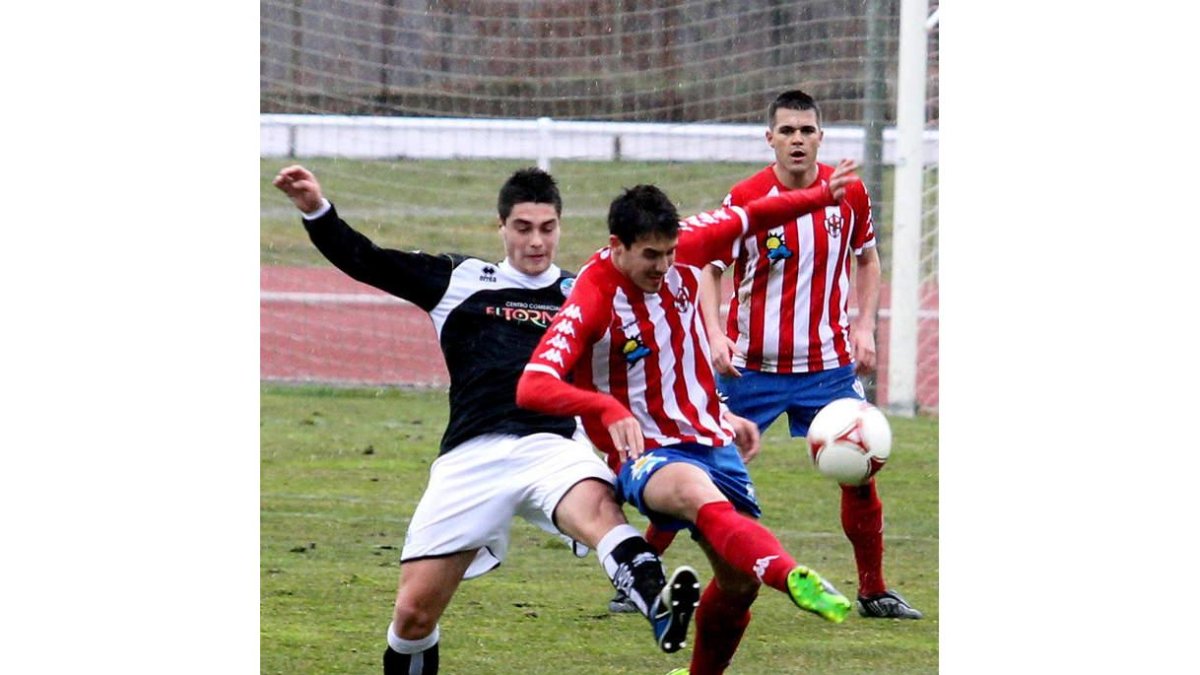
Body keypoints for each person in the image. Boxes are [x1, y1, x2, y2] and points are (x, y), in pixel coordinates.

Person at [272, 164, 701, 674]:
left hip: (553, 445)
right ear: (501, 227)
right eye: (523, 227)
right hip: (472, 455)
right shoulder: (461, 279)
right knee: (412, 617)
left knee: (599, 513)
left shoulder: (582, 291)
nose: (536, 241)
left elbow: (659, 342)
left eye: (547, 227)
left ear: (560, 226)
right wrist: (316, 210)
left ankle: (655, 596)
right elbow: (367, 260)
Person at [516, 164, 859, 675]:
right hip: (648, 453)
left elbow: (756, 214)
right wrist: (605, 409)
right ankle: (791, 576)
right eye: (650, 255)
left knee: (739, 585)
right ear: (618, 246)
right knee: (697, 494)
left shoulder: (689, 247)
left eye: (670, 253)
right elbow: (532, 385)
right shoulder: (592, 296)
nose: (664, 265)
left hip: (711, 435)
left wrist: (816, 196)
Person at [697, 89, 922, 620]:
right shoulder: (745, 198)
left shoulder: (850, 194)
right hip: (751, 367)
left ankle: (874, 590)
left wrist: (863, 325)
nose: (797, 140)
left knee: (860, 471)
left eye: (807, 130)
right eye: (787, 131)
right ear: (769, 138)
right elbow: (710, 269)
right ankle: (637, 571)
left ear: (820, 136)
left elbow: (867, 261)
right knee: (701, 466)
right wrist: (714, 334)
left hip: (828, 367)